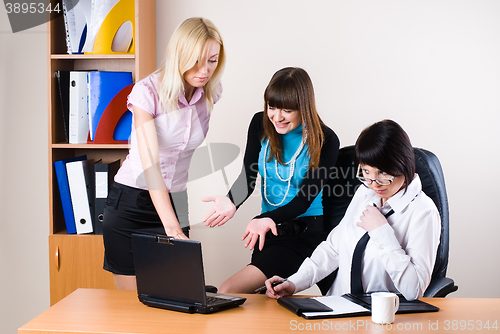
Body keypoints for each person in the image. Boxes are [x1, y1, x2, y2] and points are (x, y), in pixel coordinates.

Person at [102, 17, 225, 290]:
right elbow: (151, 166)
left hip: (175, 201)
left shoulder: (210, 93)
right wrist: (172, 228)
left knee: (179, 297)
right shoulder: (146, 92)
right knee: (135, 309)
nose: (204, 70)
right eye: (196, 61)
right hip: (131, 204)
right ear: (179, 55)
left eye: (212, 61)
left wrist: (174, 222)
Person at [264, 120, 441, 301]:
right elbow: (333, 248)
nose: (373, 182)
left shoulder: (423, 212)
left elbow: (414, 290)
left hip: (382, 317)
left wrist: (382, 232)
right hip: (337, 307)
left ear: (404, 165)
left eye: (383, 173)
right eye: (366, 171)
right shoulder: (365, 193)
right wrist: (294, 283)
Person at [202, 67, 340, 293]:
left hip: (304, 234)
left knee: (228, 290)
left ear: (303, 107)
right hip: (267, 232)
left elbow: (304, 200)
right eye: (272, 107)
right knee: (264, 304)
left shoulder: (325, 139)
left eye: (287, 110)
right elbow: (248, 176)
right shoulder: (260, 123)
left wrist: (264, 218)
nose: (277, 117)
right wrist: (231, 201)